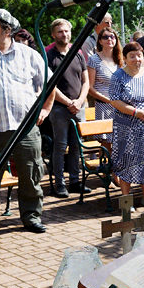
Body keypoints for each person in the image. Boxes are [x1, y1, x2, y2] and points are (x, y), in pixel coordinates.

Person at [0, 7, 53, 241]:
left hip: (25, 128)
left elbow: (49, 83)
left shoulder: (29, 55)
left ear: (8, 30)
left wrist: (45, 109)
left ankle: (31, 215)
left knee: (30, 174)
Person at [108, 41, 144, 208]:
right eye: (132, 56)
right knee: (127, 161)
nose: (136, 59)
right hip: (127, 128)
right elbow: (115, 100)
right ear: (125, 58)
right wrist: (135, 112)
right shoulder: (118, 76)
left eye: (139, 55)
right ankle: (126, 200)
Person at [45, 18, 90, 198]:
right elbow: (49, 85)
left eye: (66, 31)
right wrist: (68, 102)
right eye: (60, 32)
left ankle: (75, 182)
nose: (64, 34)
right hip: (58, 108)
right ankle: (59, 184)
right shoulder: (48, 56)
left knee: (76, 146)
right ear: (53, 34)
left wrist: (79, 101)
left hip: (79, 107)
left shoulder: (77, 53)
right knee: (60, 146)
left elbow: (86, 81)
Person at [86, 27, 123, 141]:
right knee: (106, 142)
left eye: (112, 36)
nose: (109, 39)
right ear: (100, 41)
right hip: (103, 106)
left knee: (120, 142)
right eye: (105, 37)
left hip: (120, 107)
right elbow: (90, 88)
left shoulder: (120, 59)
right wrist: (109, 100)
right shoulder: (94, 59)